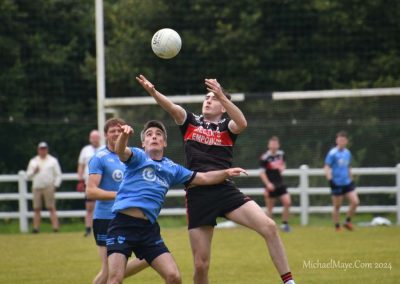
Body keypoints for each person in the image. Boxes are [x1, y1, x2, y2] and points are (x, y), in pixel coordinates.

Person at [136, 75, 295, 284]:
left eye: (214, 98)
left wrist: (222, 95)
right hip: (198, 193)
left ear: (223, 107)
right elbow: (172, 108)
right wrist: (154, 92)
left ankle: (289, 282)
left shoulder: (227, 126)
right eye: (206, 97)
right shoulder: (190, 122)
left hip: (224, 190)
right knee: (201, 265)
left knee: (269, 226)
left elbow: (242, 123)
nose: (208, 100)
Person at [107, 120, 247, 284]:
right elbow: (120, 150)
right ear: (143, 143)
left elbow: (203, 177)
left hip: (148, 230)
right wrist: (124, 135)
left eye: (158, 135)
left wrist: (226, 172)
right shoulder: (137, 157)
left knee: (174, 277)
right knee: (115, 279)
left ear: (164, 142)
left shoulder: (172, 168)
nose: (154, 137)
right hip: (123, 224)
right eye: (149, 135)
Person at [86, 118, 147, 284]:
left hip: (129, 218)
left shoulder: (132, 155)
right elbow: (90, 191)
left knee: (149, 257)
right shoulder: (100, 158)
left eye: (119, 130)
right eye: (112, 131)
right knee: (108, 271)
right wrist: (119, 195)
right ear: (106, 135)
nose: (116, 133)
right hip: (106, 219)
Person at [324, 131, 359, 231]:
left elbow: (348, 167)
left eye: (343, 140)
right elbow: (326, 167)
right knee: (337, 206)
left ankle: (347, 221)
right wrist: (330, 180)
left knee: (355, 202)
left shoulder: (347, 153)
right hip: (336, 183)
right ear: (336, 141)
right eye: (339, 140)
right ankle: (337, 226)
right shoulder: (332, 153)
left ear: (346, 141)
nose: (341, 142)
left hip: (347, 182)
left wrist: (351, 179)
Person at [26, 142, 62, 233]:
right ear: (38, 150)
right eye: (41, 149)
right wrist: (34, 172)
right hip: (37, 186)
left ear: (47, 150)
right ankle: (36, 228)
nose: (43, 151)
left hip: (48, 186)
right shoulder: (33, 161)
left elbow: (58, 174)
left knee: (51, 207)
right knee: (36, 208)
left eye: (44, 149)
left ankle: (55, 227)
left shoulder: (53, 160)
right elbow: (28, 176)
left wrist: (55, 185)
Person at [259, 136, 291, 232]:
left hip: (280, 183)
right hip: (270, 184)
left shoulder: (281, 154)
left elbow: (283, 164)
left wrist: (283, 167)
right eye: (272, 144)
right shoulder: (264, 157)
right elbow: (262, 173)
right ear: (269, 145)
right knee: (270, 208)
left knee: (287, 202)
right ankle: (268, 227)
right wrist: (268, 184)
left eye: (275, 144)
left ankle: (285, 224)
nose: (273, 146)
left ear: (278, 145)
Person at [77, 129, 101, 237]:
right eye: (93, 138)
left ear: (99, 138)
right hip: (89, 182)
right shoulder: (85, 150)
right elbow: (81, 165)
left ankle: (101, 228)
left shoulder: (104, 149)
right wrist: (80, 180)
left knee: (104, 206)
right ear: (90, 139)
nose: (95, 140)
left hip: (103, 183)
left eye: (97, 138)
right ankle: (88, 228)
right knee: (89, 207)